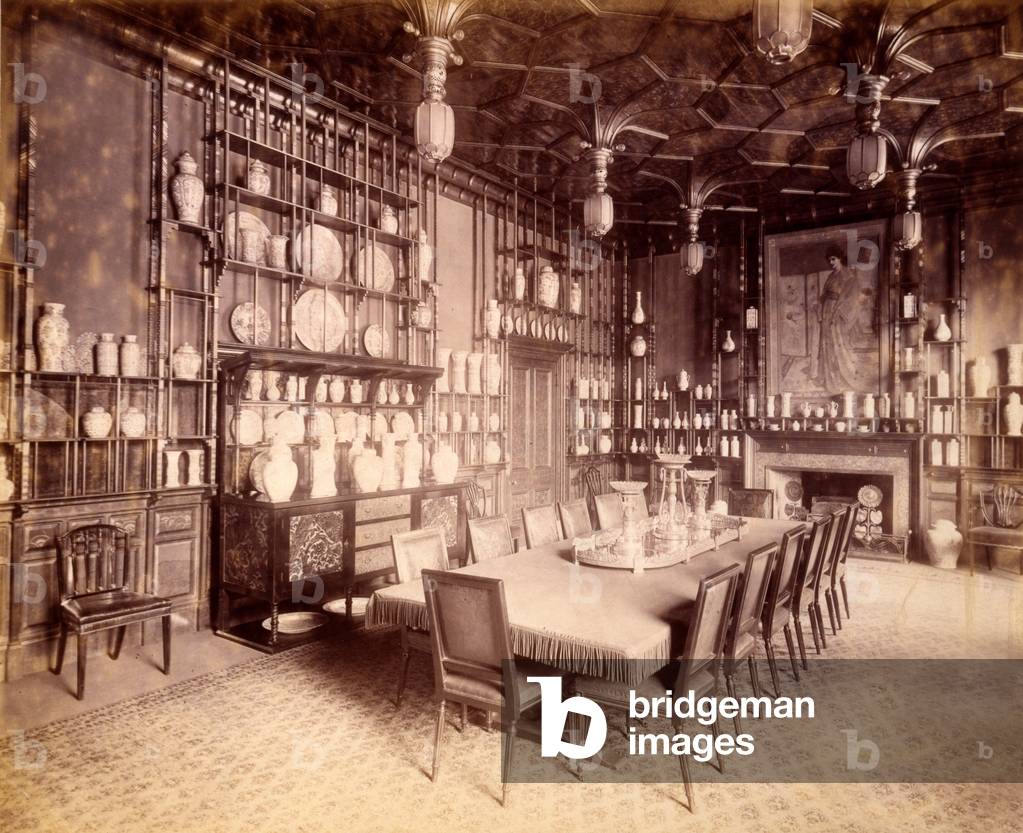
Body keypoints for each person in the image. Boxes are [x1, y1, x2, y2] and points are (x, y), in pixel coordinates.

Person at [812, 245, 867, 391]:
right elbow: (825, 294)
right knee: (826, 343)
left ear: (840, 258)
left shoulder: (848, 276)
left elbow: (851, 297)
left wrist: (838, 312)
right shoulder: (831, 276)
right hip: (826, 311)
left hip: (837, 312)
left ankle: (844, 376)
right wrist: (819, 303)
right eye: (829, 260)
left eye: (833, 259)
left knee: (838, 343)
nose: (831, 262)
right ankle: (828, 377)